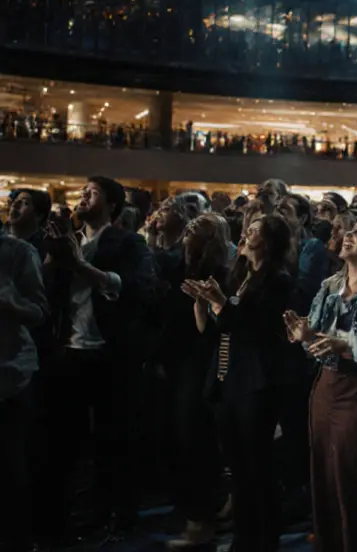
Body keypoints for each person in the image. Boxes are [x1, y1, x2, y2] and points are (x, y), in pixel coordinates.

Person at [36, 175, 158, 542]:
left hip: (110, 353)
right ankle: (66, 518)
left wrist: (78, 265)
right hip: (70, 351)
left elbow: (134, 288)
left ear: (112, 205)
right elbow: (44, 293)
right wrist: (52, 257)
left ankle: (118, 518)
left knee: (114, 440)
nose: (82, 197)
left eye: (91, 193)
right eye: (82, 193)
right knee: (62, 443)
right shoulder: (67, 243)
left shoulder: (128, 241)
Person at [285, 217, 357, 552]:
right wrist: (305, 337)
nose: (348, 235)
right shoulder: (328, 287)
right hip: (325, 388)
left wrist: (347, 347)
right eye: (348, 231)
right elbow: (315, 348)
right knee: (324, 477)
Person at [185, 214, 295, 552]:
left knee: (257, 467)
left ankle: (263, 541)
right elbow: (214, 331)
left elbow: (257, 329)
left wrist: (220, 303)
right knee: (237, 467)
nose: (246, 233)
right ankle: (243, 539)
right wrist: (203, 304)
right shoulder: (240, 276)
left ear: (272, 241)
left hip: (256, 383)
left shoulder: (278, 280)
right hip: (226, 378)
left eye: (256, 230)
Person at [159, 213, 231, 550]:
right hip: (176, 360)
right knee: (179, 437)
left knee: (197, 438)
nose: (190, 227)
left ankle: (201, 520)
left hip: (203, 361)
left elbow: (219, 330)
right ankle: (195, 512)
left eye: (200, 225)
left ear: (215, 236)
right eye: (190, 223)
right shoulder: (176, 266)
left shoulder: (219, 274)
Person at [0, 224, 48, 552]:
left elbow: (40, 311)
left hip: (9, 375)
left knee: (9, 469)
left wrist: (10, 306)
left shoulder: (17, 252)